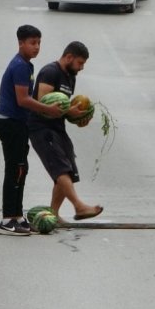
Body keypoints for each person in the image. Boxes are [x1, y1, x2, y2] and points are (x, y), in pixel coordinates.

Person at [0, 25, 64, 236]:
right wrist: (48, 109)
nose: (36, 47)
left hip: (17, 123)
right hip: (9, 122)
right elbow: (23, 100)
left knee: (21, 169)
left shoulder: (27, 65)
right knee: (15, 169)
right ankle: (7, 220)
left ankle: (17, 216)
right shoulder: (20, 66)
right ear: (20, 43)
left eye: (39, 43)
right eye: (32, 43)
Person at [28, 41, 104, 223]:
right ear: (69, 57)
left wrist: (79, 118)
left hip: (58, 128)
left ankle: (53, 214)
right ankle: (79, 206)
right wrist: (69, 110)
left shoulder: (70, 77)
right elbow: (43, 103)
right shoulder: (50, 72)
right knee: (61, 168)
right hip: (42, 128)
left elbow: (64, 108)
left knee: (68, 171)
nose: (82, 68)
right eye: (80, 63)